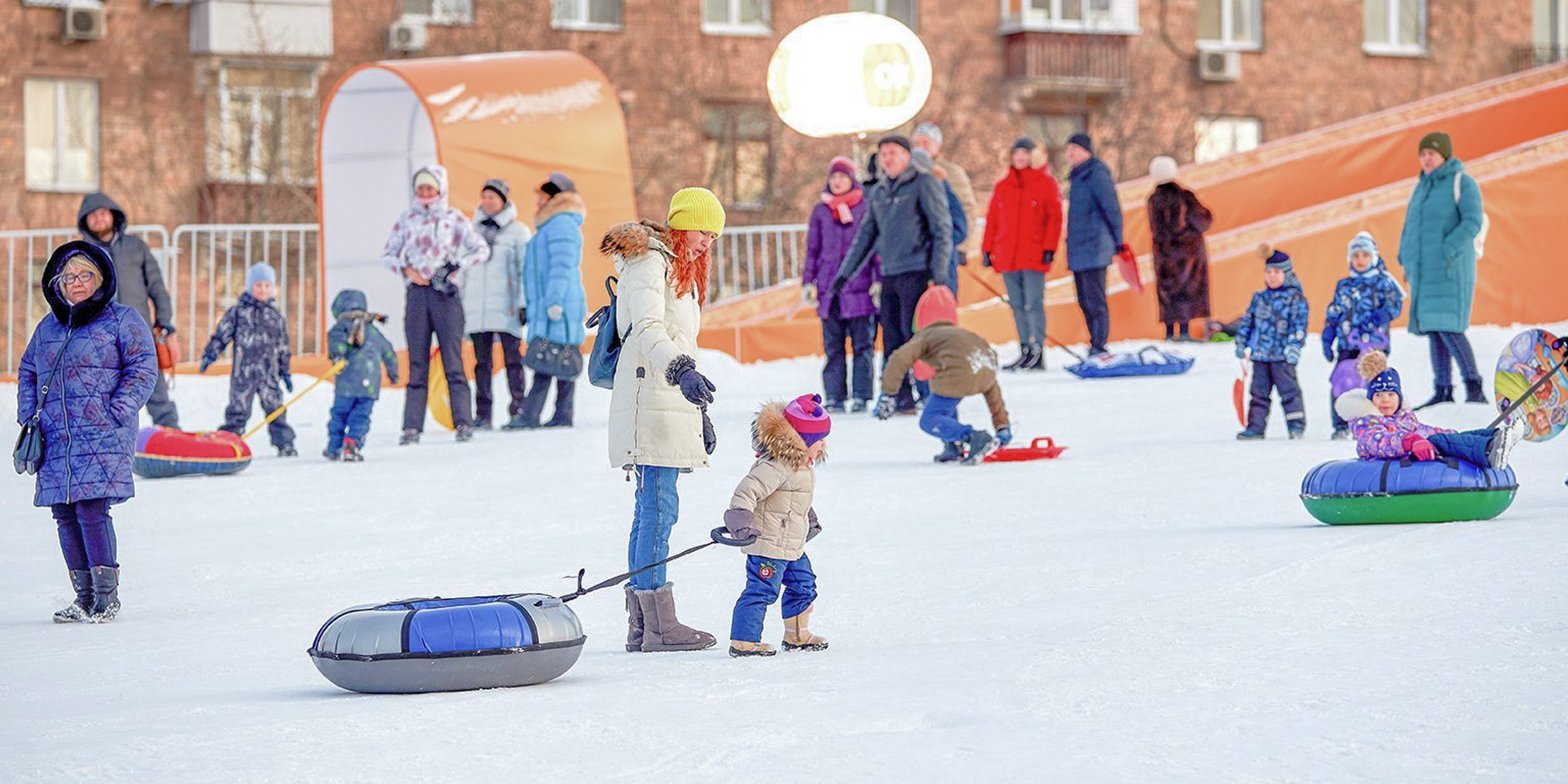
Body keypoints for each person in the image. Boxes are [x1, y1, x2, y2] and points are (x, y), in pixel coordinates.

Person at [602, 187, 725, 653]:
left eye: (713, 236)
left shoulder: (679, 270)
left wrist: (700, 415)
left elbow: (679, 341)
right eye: (701, 231)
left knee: (653, 509)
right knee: (657, 509)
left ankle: (643, 624)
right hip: (649, 398)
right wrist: (682, 371)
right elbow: (647, 329)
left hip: (667, 401)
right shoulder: (649, 262)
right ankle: (657, 626)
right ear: (679, 223)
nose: (705, 243)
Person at [17, 240, 156, 623]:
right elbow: (28, 371)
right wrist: (29, 414)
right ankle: (83, 596)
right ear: (57, 284)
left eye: (84, 275)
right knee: (63, 512)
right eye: (68, 277)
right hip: (56, 436)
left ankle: (106, 597)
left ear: (100, 279)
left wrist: (119, 409)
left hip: (102, 433)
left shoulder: (122, 320)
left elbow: (144, 367)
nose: (76, 283)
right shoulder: (47, 328)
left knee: (92, 509)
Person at [832, 134, 953, 414]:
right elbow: (866, 235)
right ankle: (901, 397)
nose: (888, 158)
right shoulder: (880, 192)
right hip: (890, 273)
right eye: (884, 153)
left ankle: (934, 394)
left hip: (918, 271)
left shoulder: (924, 183)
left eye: (894, 153)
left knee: (920, 338)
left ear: (907, 156)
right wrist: (844, 275)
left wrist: (939, 276)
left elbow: (942, 231)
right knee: (892, 338)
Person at [380, 164, 490, 444]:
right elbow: (388, 254)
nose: (426, 193)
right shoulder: (407, 219)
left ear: (440, 189)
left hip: (446, 295)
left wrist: (455, 266)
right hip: (418, 295)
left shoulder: (453, 218)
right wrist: (407, 271)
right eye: (421, 188)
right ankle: (412, 427)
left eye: (430, 188)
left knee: (453, 360)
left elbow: (480, 249)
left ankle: (463, 422)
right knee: (417, 361)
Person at [722, 394, 832, 658]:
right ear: (803, 440)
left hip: (791, 545)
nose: (822, 447)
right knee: (761, 591)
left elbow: (794, 499)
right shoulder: (776, 465)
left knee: (804, 585)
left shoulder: (802, 466)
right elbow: (746, 492)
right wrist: (740, 522)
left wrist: (809, 519)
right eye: (818, 441)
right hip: (767, 544)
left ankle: (796, 635)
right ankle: (744, 641)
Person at [1396, 132, 1488, 409]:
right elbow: (1410, 227)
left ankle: (1474, 387)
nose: (1426, 158)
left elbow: (1473, 221)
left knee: (1449, 327)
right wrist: (1406, 258)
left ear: (1444, 155)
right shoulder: (1422, 187)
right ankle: (1443, 389)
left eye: (1431, 153)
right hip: (1424, 273)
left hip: (1450, 270)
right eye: (1422, 154)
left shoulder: (1463, 183)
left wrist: (1448, 249)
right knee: (1434, 329)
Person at [874, 286, 1011, 464]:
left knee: (930, 419)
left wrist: (888, 394)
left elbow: (898, 359)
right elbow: (991, 386)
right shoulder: (963, 334)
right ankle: (952, 446)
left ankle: (971, 437)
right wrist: (1002, 426)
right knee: (945, 409)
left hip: (956, 374)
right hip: (985, 368)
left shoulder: (925, 336)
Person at [77, 192, 179, 428]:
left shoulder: (136, 247)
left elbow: (157, 288)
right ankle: (106, 438)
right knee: (104, 391)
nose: (99, 218)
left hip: (139, 332)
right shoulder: (82, 253)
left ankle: (170, 434)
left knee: (155, 387)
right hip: (101, 337)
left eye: (103, 212)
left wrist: (163, 322)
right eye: (92, 215)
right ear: (85, 221)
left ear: (113, 215)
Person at [1345, 351, 1525, 468]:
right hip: (1390, 465)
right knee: (1439, 441)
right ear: (1371, 399)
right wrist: (1410, 441)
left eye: (1391, 395)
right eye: (1379, 395)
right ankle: (1489, 449)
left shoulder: (1404, 419)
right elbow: (1377, 441)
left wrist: (1455, 434)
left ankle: (1495, 437)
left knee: (1446, 437)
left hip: (1413, 453)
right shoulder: (1367, 423)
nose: (1385, 400)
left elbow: (1425, 431)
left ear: (1399, 398)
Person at [513, 172, 589, 429]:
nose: (538, 201)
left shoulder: (561, 224)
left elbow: (562, 266)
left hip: (559, 304)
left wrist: (554, 301)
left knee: (549, 356)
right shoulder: (552, 225)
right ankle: (561, 414)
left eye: (543, 195)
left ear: (556, 197)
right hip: (551, 302)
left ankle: (530, 415)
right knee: (556, 355)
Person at [801, 156, 876, 414]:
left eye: (842, 176)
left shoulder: (865, 207)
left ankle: (862, 395)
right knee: (833, 346)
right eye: (833, 177)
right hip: (829, 288)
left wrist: (877, 280)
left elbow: (874, 248)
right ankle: (834, 395)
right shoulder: (821, 210)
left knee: (862, 344)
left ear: (851, 179)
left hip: (860, 287)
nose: (837, 181)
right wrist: (808, 281)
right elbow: (813, 249)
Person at [198, 263, 297, 456]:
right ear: (250, 287)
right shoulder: (238, 312)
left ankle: (285, 443)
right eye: (258, 285)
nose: (262, 289)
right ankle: (226, 443)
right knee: (238, 410)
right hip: (244, 372)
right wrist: (210, 354)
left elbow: (283, 346)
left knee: (276, 409)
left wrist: (285, 371)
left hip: (268, 373)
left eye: (267, 286)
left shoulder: (276, 316)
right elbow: (221, 335)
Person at [982, 137, 1063, 371]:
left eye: (1025, 153)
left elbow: (1054, 218)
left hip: (1033, 253)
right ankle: (1024, 348)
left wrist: (1049, 247)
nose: (1020, 158)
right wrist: (987, 249)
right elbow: (993, 220)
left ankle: (1037, 347)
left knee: (1033, 303)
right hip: (1008, 254)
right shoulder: (1003, 186)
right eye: (1017, 153)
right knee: (1016, 304)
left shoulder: (1045, 183)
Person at [1322, 231, 1405, 439]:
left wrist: (1383, 315)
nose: (1360, 260)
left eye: (1365, 256)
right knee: (1342, 381)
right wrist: (1328, 335)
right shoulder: (1344, 285)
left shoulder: (1382, 282)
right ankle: (1340, 424)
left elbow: (1396, 304)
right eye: (1356, 256)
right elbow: (1335, 312)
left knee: (1373, 385)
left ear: (1373, 257)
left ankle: (1375, 421)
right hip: (1347, 344)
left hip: (1373, 345)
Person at [465, 178, 531, 430]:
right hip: (477, 308)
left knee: (513, 360)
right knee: (481, 364)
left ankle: (518, 408)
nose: (487, 201)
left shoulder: (518, 232)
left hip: (507, 306)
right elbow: (464, 271)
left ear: (503, 200)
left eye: (492, 197)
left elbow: (525, 270)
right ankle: (482, 414)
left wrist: (524, 303)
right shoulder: (470, 231)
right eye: (484, 196)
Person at [1236, 246, 1310, 440]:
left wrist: (1294, 345)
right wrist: (1241, 342)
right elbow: (1247, 322)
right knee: (1258, 393)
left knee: (1289, 392)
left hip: (1282, 356)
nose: (1272, 276)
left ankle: (1296, 425)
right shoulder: (1259, 298)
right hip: (1260, 355)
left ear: (1287, 273)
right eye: (1268, 272)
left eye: (1277, 272)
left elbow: (1299, 325)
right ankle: (1255, 427)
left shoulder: (1295, 299)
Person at [1063, 133, 1123, 356]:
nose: (1069, 153)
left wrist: (1118, 242)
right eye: (1068, 149)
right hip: (1078, 247)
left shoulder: (1097, 173)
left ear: (1086, 150)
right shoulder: (1077, 177)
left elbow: (1111, 208)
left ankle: (1099, 344)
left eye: (1074, 149)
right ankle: (1094, 341)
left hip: (1096, 246)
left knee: (1095, 299)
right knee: (1083, 299)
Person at [323, 289, 400, 462]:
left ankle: (334, 446)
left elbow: (337, 344)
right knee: (361, 416)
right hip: (370, 386)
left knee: (339, 414)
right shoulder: (373, 330)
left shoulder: (340, 327)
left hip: (346, 384)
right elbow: (388, 352)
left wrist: (338, 356)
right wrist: (393, 372)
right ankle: (352, 443)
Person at [1145, 156, 1213, 342]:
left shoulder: (1152, 200)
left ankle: (1169, 332)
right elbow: (1204, 220)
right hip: (1187, 253)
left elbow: (1155, 229)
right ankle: (1184, 331)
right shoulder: (1184, 196)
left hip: (1163, 254)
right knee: (1187, 289)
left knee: (1168, 292)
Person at [913, 121, 978, 257]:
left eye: (926, 143)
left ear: (937, 146)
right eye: (917, 143)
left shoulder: (952, 173)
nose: (921, 148)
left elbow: (967, 208)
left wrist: (962, 246)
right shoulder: (907, 172)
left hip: (944, 246)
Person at [911, 148, 967, 294]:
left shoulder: (942, 189)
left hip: (943, 264)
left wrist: (940, 243)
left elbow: (960, 227)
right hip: (913, 267)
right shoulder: (904, 194)